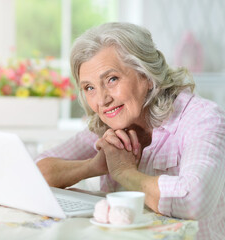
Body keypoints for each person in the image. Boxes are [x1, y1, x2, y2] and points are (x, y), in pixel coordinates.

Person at [35, 22, 225, 240]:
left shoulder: (202, 117)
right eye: (89, 88)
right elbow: (36, 173)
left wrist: (125, 173)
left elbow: (195, 199)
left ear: (146, 76)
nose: (102, 100)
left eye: (112, 79)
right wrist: (92, 166)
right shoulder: (110, 122)